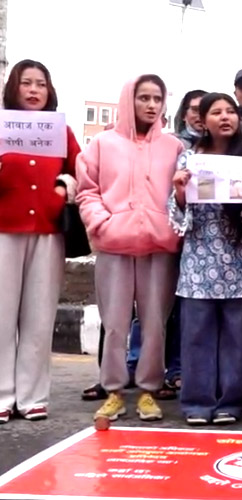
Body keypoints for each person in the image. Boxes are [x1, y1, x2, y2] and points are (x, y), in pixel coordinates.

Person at [77, 74, 183, 423]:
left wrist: (171, 226)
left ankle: (149, 390)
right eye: (144, 98)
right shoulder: (102, 144)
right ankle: (113, 391)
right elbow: (87, 191)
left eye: (157, 99)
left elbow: (181, 195)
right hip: (114, 246)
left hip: (159, 247)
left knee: (155, 323)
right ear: (129, 100)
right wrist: (102, 223)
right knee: (115, 324)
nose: (151, 105)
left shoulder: (174, 147)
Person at [169, 93, 242, 426]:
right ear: (203, 121)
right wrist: (180, 192)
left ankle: (231, 403)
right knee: (196, 337)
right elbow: (177, 215)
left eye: (230, 111)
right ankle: (196, 402)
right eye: (216, 112)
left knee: (237, 338)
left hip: (239, 261)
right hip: (198, 262)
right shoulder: (190, 159)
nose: (225, 117)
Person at [0, 59, 81, 423]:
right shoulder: (2, 126)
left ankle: (33, 396)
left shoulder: (61, 132)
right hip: (4, 229)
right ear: (13, 88)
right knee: (1, 315)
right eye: (26, 83)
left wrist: (66, 185)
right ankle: (2, 395)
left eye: (41, 84)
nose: (34, 90)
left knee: (39, 315)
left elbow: (81, 171)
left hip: (48, 231)